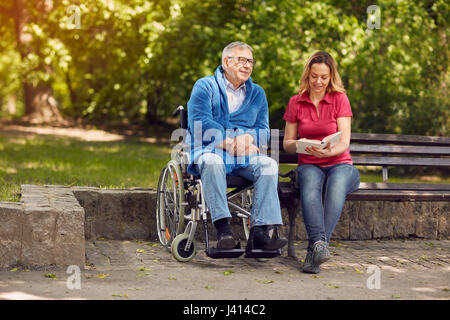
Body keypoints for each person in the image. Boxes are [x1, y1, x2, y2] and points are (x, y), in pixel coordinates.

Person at [186, 41, 287, 252]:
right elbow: (200, 122)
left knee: (268, 164)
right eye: (241, 60)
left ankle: (260, 232)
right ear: (226, 62)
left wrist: (247, 140)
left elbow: (263, 130)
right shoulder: (205, 86)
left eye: (250, 61)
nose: (247, 65)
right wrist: (230, 143)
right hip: (210, 150)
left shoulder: (258, 93)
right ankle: (224, 231)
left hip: (243, 155)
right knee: (212, 162)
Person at [282, 51, 360, 273]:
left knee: (336, 185)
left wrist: (329, 152)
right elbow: (288, 143)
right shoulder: (296, 102)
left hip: (341, 165)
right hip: (309, 163)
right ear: (307, 75)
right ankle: (319, 247)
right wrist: (300, 144)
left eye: (323, 77)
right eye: (314, 76)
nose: (318, 81)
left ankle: (314, 247)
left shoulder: (339, 99)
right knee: (309, 186)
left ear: (331, 76)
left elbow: (344, 141)